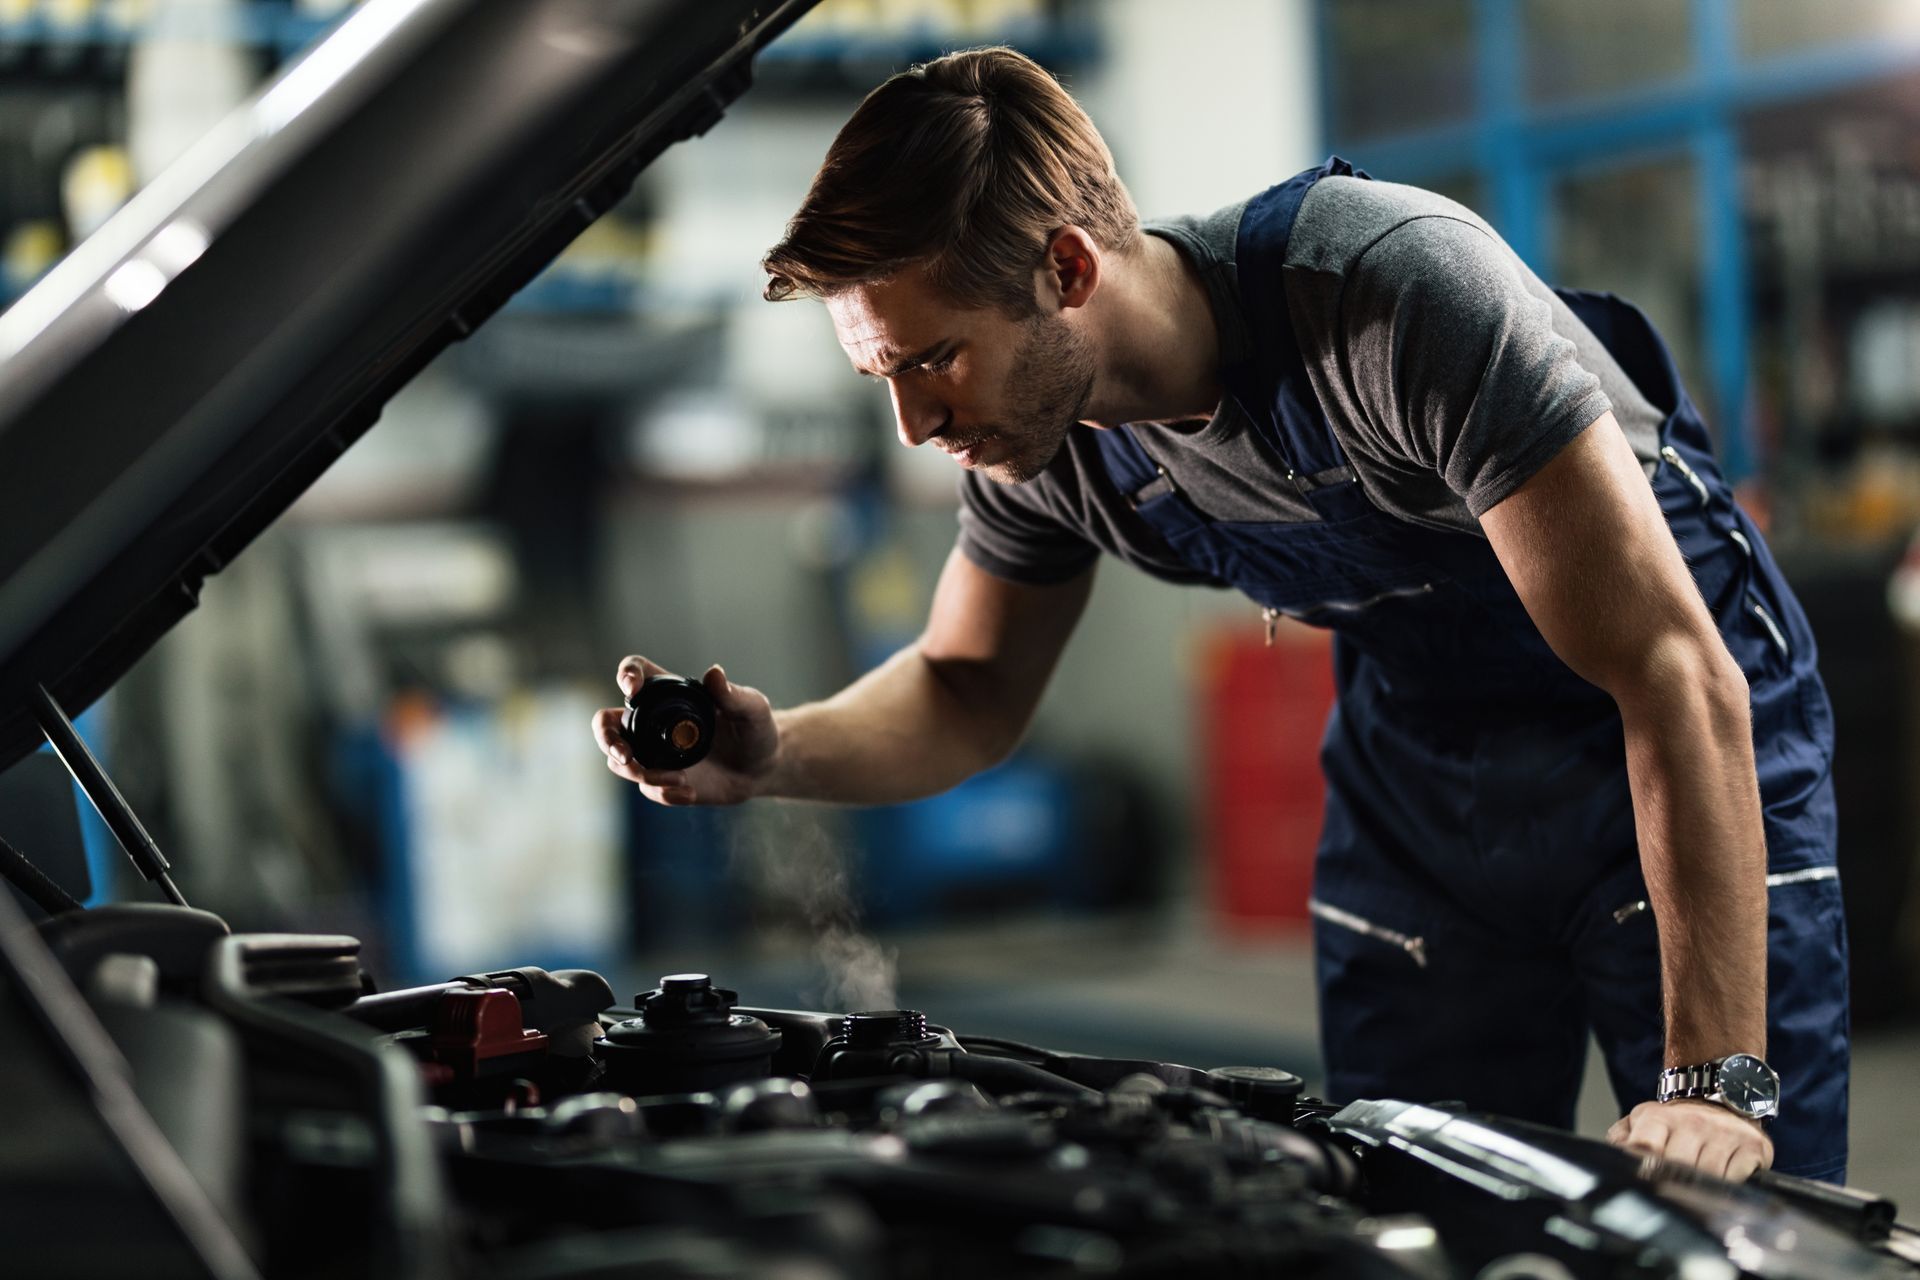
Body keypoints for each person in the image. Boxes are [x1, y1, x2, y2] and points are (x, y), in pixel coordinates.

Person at [590, 47, 1848, 1182]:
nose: (917, 426)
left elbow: (1672, 672)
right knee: (1408, 1207)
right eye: (884, 375)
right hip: (1425, 780)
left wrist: (1715, 1080)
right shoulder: (1052, 445)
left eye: (934, 359)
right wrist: (775, 753)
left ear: (1067, 269)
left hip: (1675, 743)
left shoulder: (1392, 300)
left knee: (1736, 1225)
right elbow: (967, 687)